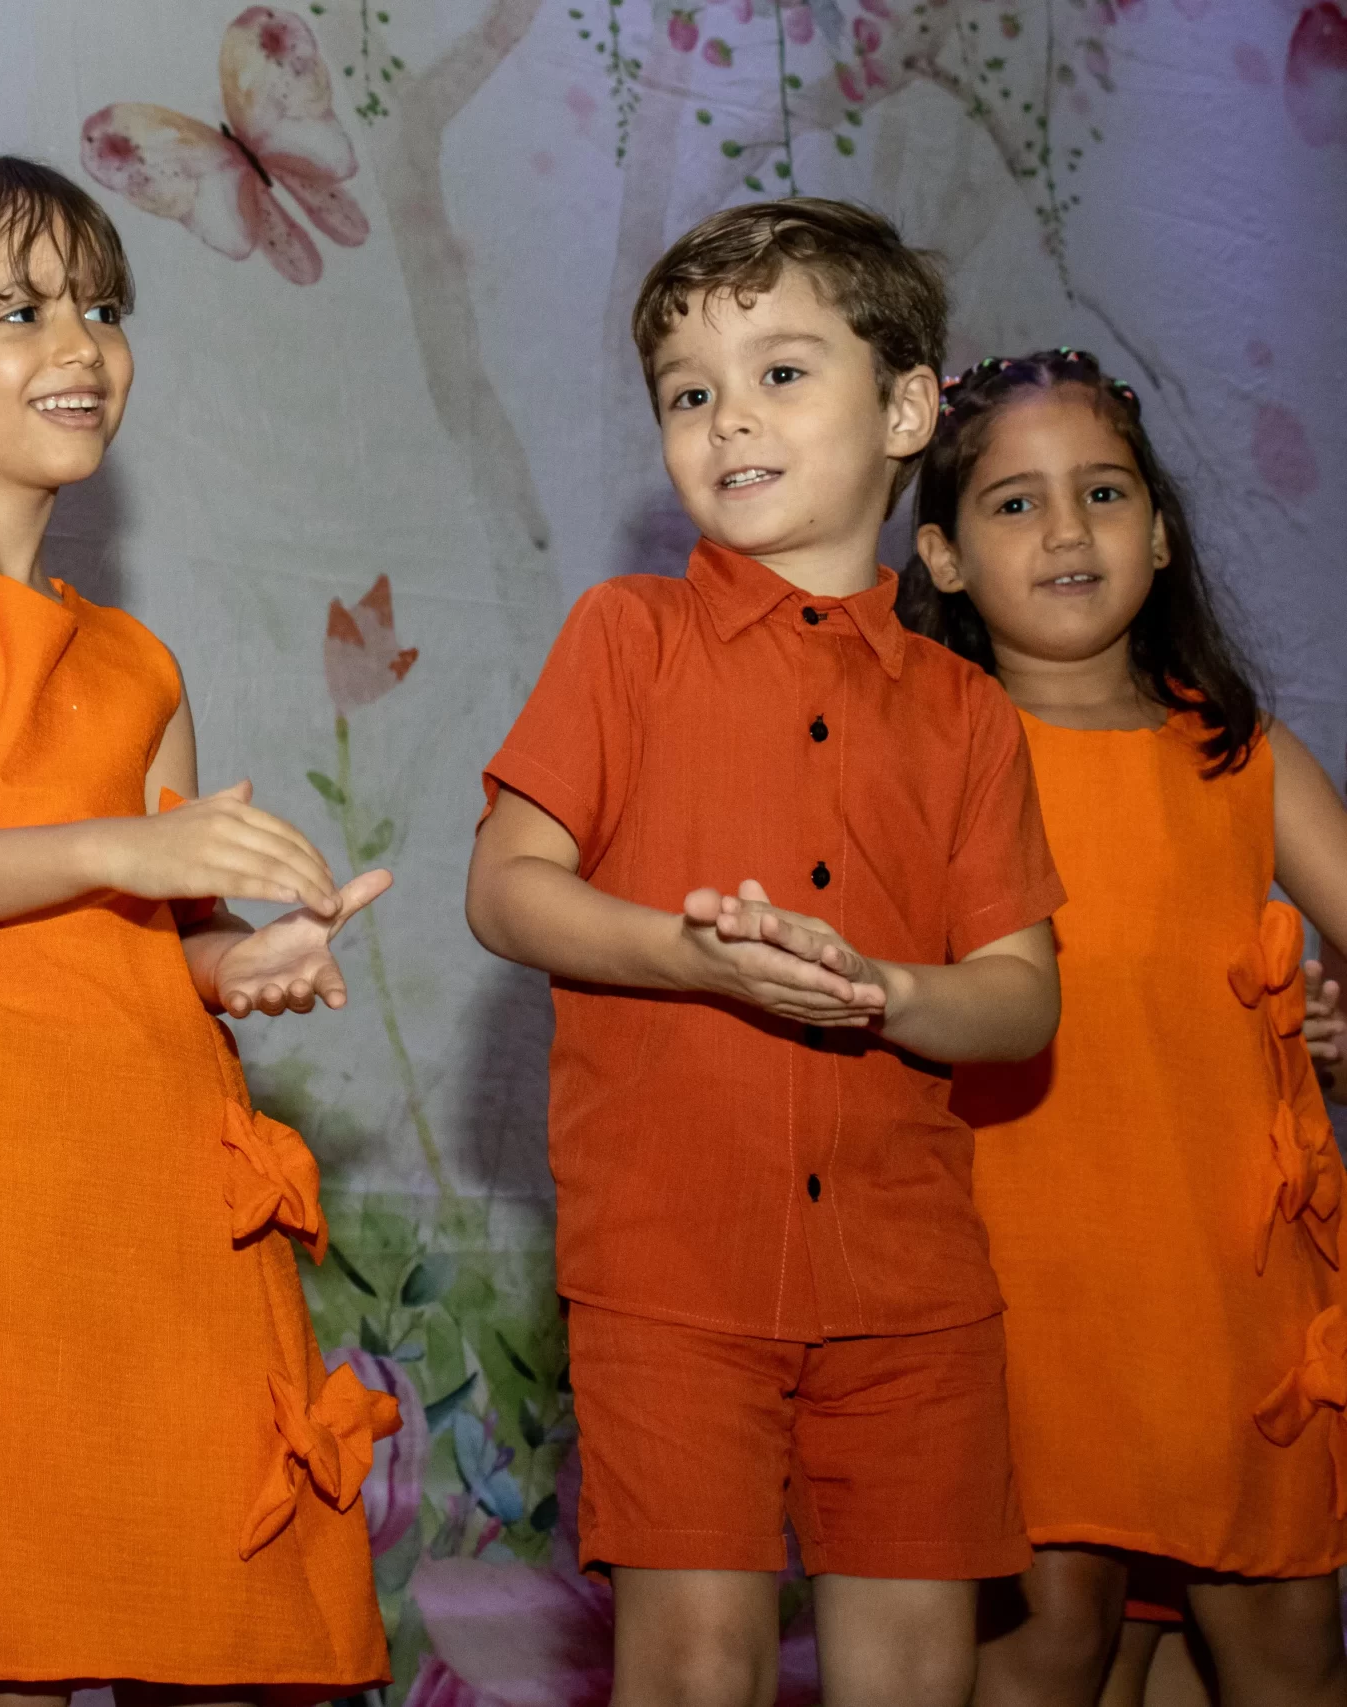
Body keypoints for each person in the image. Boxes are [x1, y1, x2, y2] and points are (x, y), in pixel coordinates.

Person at [0, 156, 400, 1704]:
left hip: (154, 1183)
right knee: (5, 1626)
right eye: (21, 311)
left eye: (102, 308)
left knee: (211, 1627)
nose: (81, 345)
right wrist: (132, 842)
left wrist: (247, 960)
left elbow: (162, 939)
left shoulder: (138, 660)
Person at [464, 200, 1065, 1707]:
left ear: (907, 412)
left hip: (913, 1284)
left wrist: (891, 991)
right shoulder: (626, 635)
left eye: (782, 373)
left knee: (915, 1671)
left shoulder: (969, 713)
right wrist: (694, 956)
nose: (728, 417)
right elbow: (508, 890)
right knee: (695, 1662)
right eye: (689, 393)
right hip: (670, 1264)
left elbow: (1021, 999)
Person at [902, 347, 1347, 1707]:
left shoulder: (1242, 753)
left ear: (1158, 531)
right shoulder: (928, 754)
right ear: (944, 557)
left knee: (1285, 1643)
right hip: (1020, 1278)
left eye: (1103, 491)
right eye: (1016, 502)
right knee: (1051, 1641)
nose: (1069, 529)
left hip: (1230, 1291)